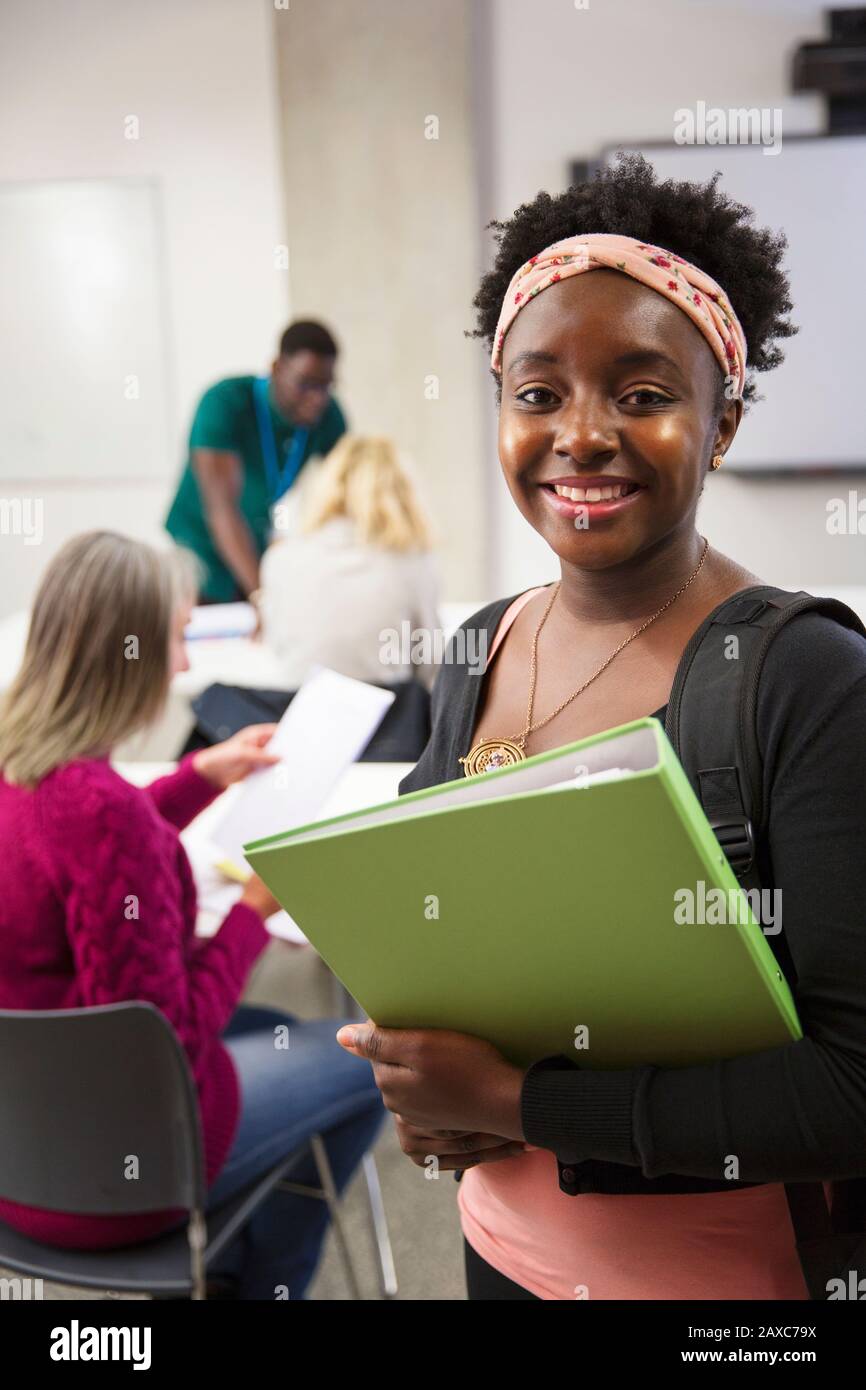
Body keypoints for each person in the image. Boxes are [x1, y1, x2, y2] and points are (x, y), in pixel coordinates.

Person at [335, 152, 866, 1300]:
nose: (579, 434)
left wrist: (509, 1102)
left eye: (641, 393)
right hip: (495, 1255)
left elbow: (847, 1091)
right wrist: (422, 1092)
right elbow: (422, 939)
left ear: (719, 425)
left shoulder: (806, 680)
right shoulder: (474, 648)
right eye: (537, 394)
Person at [0, 531, 383, 1300]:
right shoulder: (108, 817)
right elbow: (165, 1041)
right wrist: (251, 912)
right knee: (372, 1058)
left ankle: (238, 1267)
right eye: (175, 639)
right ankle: (256, 1287)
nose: (182, 664)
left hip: (22, 1152)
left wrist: (197, 777)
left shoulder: (21, 770)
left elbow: (70, 846)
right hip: (122, 1171)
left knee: (267, 1021)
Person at [165, 320, 348, 603]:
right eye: (305, 384)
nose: (317, 398)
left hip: (253, 547)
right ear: (277, 368)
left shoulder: (328, 416)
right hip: (199, 551)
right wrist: (262, 595)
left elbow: (352, 492)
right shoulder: (224, 402)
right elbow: (221, 508)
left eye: (326, 386)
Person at [258, 435, 441, 690]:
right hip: (392, 722)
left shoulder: (279, 561)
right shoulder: (414, 563)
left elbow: (281, 648)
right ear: (401, 492)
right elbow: (428, 663)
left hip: (299, 715)